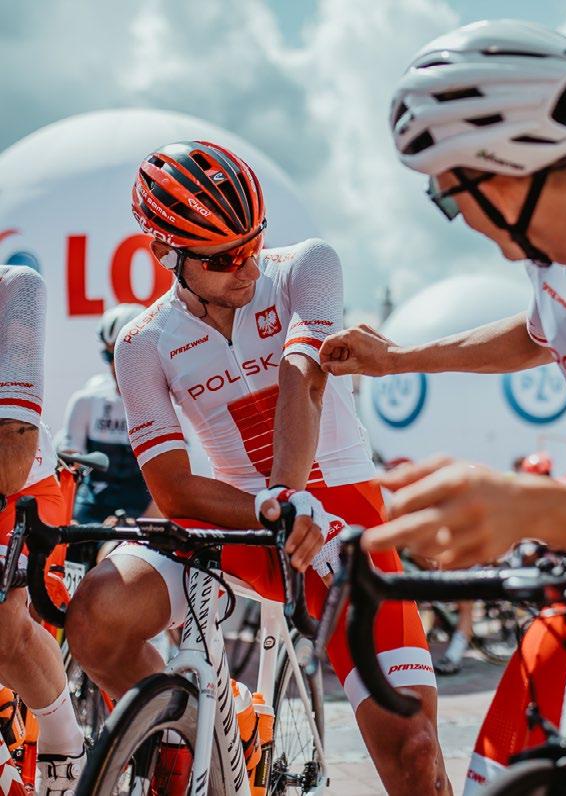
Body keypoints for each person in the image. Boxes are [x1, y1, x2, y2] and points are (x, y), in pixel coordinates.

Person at [65, 141, 451, 795]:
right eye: (221, 258)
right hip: (236, 518)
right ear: (165, 253)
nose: (245, 266)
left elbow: (304, 375)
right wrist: (272, 507)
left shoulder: (305, 265)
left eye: (252, 243)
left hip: (340, 510)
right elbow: (172, 488)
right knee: (96, 618)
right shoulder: (142, 342)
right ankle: (187, 743)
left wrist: (290, 496)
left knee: (414, 749)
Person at [319, 20, 566, 791]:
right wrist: (398, 358)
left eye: (444, 192)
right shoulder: (556, 267)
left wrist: (531, 506)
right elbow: (535, 334)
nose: (454, 216)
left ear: (496, 177)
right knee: (508, 765)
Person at [0, 265, 86, 792]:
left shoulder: (16, 288)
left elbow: (12, 455)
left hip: (18, 485)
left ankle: (63, 742)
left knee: (4, 629)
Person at [59, 304, 157, 527]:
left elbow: (174, 482)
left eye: (124, 353)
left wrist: (139, 526)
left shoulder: (169, 402)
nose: (115, 364)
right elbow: (69, 471)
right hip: (91, 507)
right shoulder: (86, 400)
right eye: (108, 355)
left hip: (141, 511)